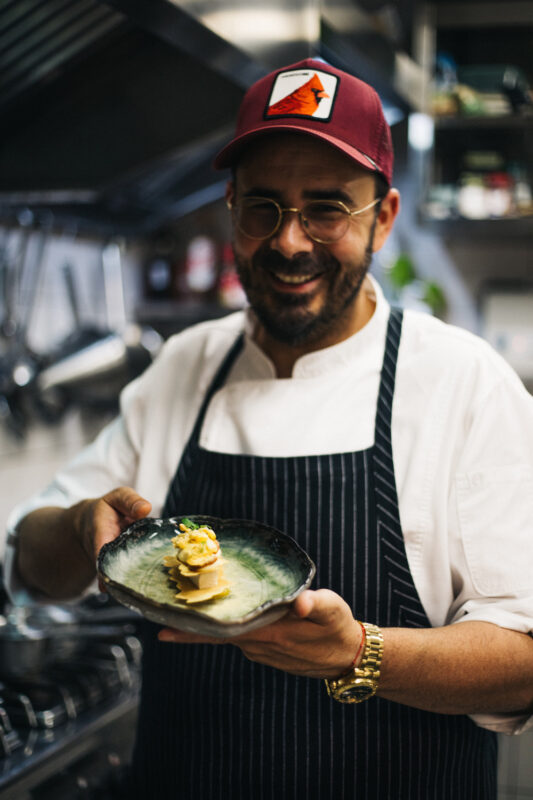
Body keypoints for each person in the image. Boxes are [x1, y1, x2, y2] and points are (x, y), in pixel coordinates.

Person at [5, 58, 533, 799]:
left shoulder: (462, 383)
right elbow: (29, 561)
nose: (288, 242)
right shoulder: (185, 366)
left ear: (381, 217)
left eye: (325, 208)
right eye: (263, 207)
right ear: (230, 208)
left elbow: (521, 659)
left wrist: (359, 655)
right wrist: (76, 529)